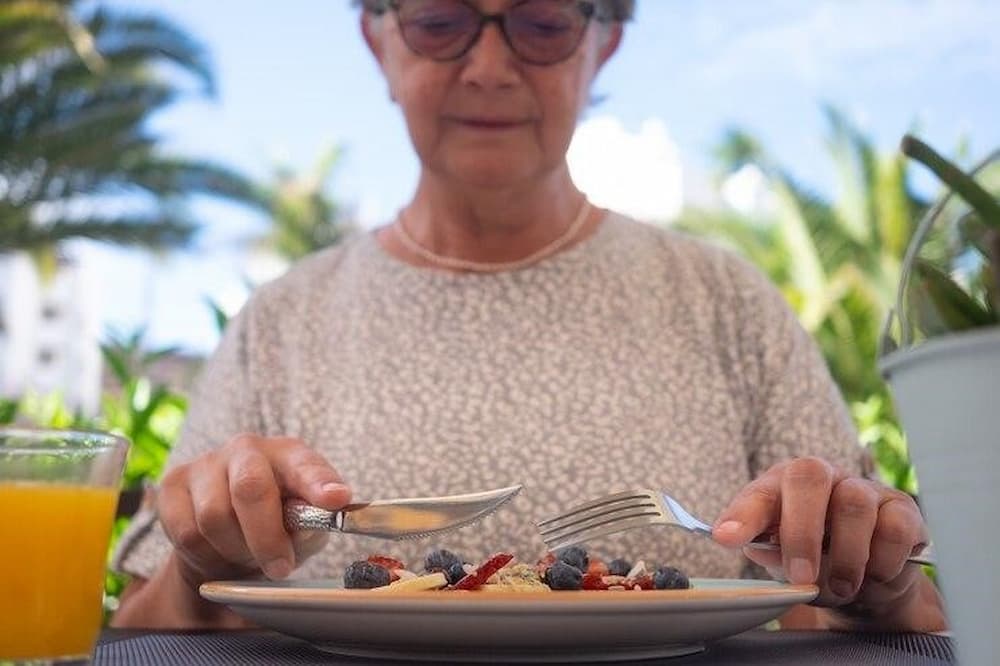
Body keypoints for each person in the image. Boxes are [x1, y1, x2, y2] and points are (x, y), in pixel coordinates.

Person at [111, 0, 946, 632]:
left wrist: (876, 578)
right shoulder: (280, 322)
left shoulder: (726, 300)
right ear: (379, 38)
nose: (488, 66)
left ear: (602, 42)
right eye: (442, 22)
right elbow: (138, 631)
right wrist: (196, 569)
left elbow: (886, 601)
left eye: (542, 24)